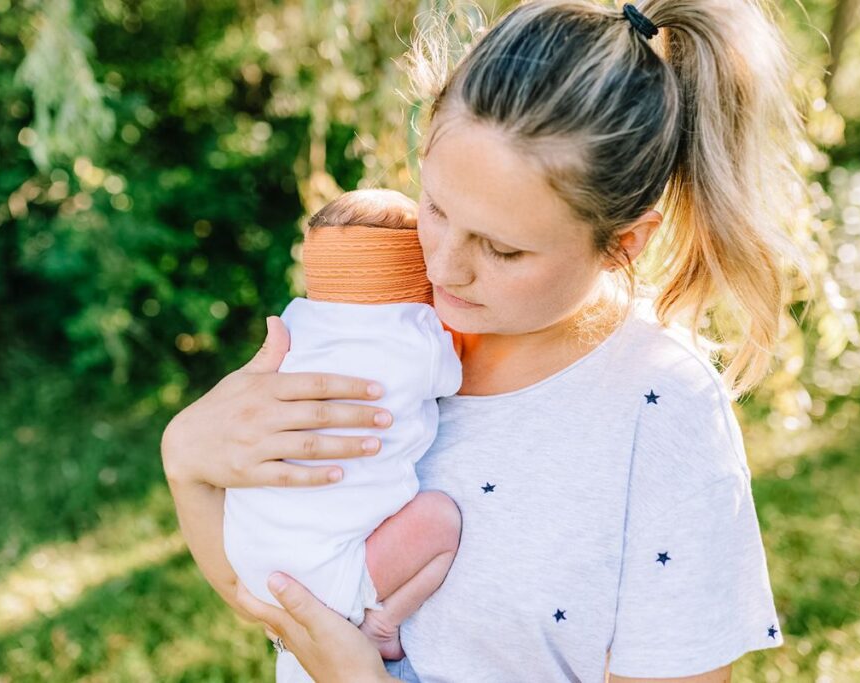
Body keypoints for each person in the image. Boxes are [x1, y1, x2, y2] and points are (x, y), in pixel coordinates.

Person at [160, 0, 809, 681]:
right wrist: (188, 462)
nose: (441, 268)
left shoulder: (659, 414)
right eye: (436, 206)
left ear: (623, 242)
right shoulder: (387, 324)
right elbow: (263, 595)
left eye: (502, 249)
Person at [221, 188, 464, 683]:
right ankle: (382, 622)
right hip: (322, 577)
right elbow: (454, 380)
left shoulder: (295, 322)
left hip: (249, 553)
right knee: (441, 521)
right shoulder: (417, 336)